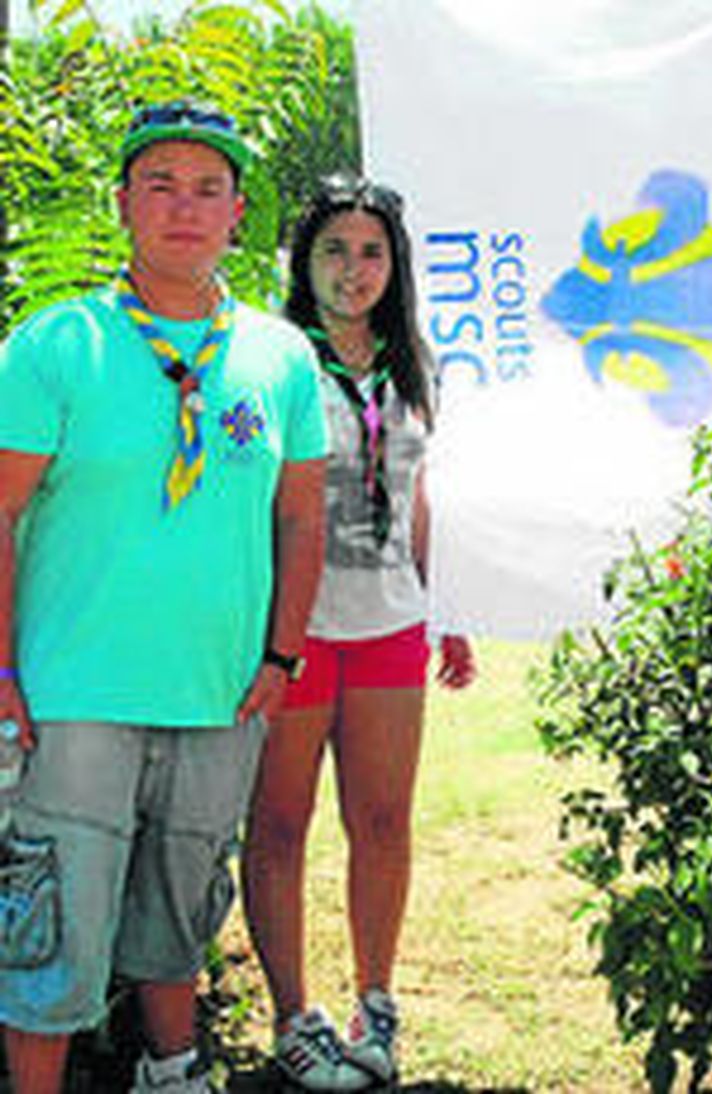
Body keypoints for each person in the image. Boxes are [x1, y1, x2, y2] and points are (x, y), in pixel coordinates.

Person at [0, 103, 328, 1094]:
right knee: (51, 912)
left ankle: (174, 1071)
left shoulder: (279, 357)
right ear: (122, 205)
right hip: (73, 692)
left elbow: (301, 522)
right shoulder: (57, 344)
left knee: (180, 904)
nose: (184, 207)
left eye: (208, 187)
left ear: (237, 213)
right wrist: (4, 669)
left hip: (219, 690)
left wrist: (277, 661)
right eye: (160, 183)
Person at [243, 175, 476, 1092]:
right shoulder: (272, 357)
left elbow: (418, 493)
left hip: (388, 625)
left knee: (381, 821)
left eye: (371, 251)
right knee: (280, 824)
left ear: (396, 264)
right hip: (292, 629)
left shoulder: (415, 357)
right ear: (303, 261)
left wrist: (443, 606)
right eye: (334, 250)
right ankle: (292, 1015)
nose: (353, 269)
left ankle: (375, 1005)